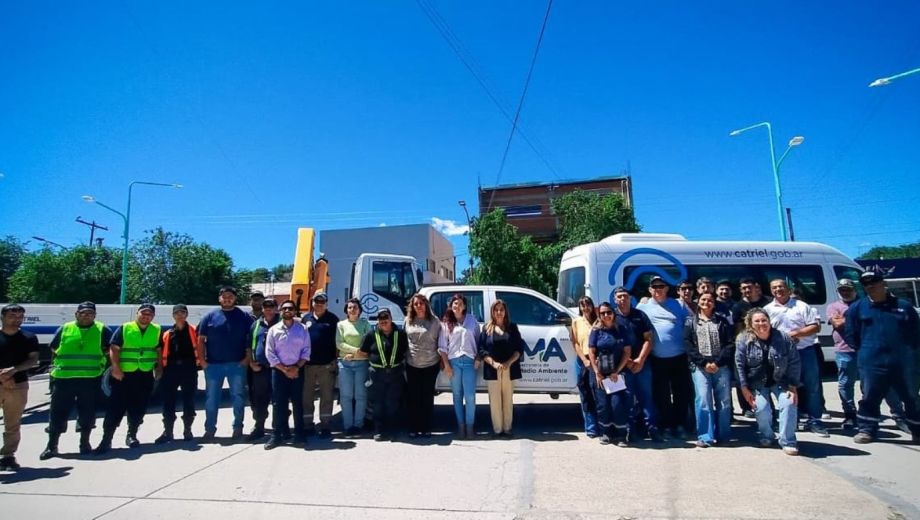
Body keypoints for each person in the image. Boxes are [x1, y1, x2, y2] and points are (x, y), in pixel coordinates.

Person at [845, 270, 920, 444]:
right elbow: (851, 335)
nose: (870, 286)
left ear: (883, 283)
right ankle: (867, 430)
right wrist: (867, 350)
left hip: (903, 362)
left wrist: (911, 355)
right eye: (866, 284)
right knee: (870, 396)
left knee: (911, 397)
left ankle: (917, 430)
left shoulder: (904, 306)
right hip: (872, 362)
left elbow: (916, 334)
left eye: (874, 282)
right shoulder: (857, 308)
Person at [41, 302, 111, 460]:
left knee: (87, 413)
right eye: (83, 313)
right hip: (64, 379)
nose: (86, 316)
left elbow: (109, 349)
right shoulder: (65, 328)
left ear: (95, 315)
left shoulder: (102, 329)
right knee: (58, 413)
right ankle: (52, 446)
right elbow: (53, 348)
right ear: (76, 314)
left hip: (90, 378)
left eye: (90, 313)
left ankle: (84, 444)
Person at [764, 279, 828, 438]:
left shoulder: (801, 306)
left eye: (781, 286)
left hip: (805, 351)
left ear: (788, 289)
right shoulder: (767, 309)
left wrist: (795, 334)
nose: (778, 289)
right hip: (782, 354)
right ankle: (793, 419)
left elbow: (815, 327)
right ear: (771, 291)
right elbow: (764, 331)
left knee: (812, 387)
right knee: (788, 388)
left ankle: (815, 421)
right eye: (774, 287)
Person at [95, 304, 162, 453]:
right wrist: (116, 368)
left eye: (149, 314)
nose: (146, 316)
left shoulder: (156, 330)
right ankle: (106, 440)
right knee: (115, 408)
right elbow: (114, 348)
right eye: (143, 313)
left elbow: (158, 349)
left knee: (139, 407)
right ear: (137, 313)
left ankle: (132, 435)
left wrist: (159, 367)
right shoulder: (125, 328)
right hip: (124, 375)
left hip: (144, 374)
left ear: (153, 316)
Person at [735, 308, 801, 456]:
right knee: (761, 408)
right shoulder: (743, 339)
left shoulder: (783, 338)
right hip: (757, 382)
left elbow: (794, 362)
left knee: (789, 403)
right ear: (750, 324)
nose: (761, 324)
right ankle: (766, 435)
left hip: (781, 381)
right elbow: (739, 365)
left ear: (769, 321)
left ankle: (788, 441)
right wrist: (744, 388)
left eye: (764, 320)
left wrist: (793, 386)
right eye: (757, 321)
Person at [637, 276, 692, 439]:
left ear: (667, 289)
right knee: (662, 395)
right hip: (657, 358)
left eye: (661, 286)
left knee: (681, 393)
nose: (658, 289)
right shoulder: (643, 306)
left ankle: (680, 425)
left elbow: (691, 323)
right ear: (649, 290)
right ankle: (666, 425)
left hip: (680, 357)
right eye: (654, 287)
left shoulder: (678, 304)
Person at [197, 286, 253, 442]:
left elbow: (251, 338)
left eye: (230, 296)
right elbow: (200, 340)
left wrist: (247, 359)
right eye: (224, 296)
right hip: (213, 366)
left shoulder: (244, 317)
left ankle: (237, 428)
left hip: (237, 365)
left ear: (235, 298)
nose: (227, 299)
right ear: (219, 299)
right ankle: (210, 430)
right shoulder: (209, 317)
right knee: (211, 399)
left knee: (238, 398)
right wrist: (202, 361)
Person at [686, 293, 734, 447]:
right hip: (700, 367)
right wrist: (704, 362)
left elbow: (729, 344)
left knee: (724, 401)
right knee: (703, 400)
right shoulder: (690, 322)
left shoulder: (722, 321)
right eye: (703, 300)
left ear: (714, 303)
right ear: (698, 302)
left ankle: (724, 435)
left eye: (710, 300)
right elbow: (688, 345)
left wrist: (717, 362)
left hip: (721, 366)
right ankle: (705, 436)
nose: (706, 302)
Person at [614, 287, 661, 442]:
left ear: (630, 298)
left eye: (625, 296)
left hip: (642, 364)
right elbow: (611, 342)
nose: (622, 299)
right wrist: (627, 361)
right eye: (619, 297)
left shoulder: (640, 315)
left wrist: (640, 360)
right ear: (615, 300)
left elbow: (649, 339)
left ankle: (652, 430)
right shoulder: (612, 317)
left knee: (647, 398)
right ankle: (630, 431)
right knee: (627, 399)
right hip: (623, 366)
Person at [264, 300, 311, 450]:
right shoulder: (273, 330)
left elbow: (306, 351)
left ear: (295, 311)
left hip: (297, 370)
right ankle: (276, 435)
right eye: (284, 308)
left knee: (297, 403)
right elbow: (269, 352)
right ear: (280, 311)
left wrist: (296, 368)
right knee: (278, 404)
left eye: (290, 308)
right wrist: (284, 369)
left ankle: (299, 434)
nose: (287, 310)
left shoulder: (303, 329)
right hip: (279, 372)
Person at [588, 302, 633, 446]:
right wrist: (597, 372)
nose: (606, 315)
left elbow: (627, 352)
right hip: (600, 375)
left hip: (616, 374)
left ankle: (621, 435)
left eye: (608, 312)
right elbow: (591, 352)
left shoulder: (621, 329)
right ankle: (605, 432)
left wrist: (617, 371)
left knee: (617, 404)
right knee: (603, 405)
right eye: (603, 313)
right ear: (599, 315)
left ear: (613, 313)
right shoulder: (596, 331)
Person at [0, 304, 39, 471]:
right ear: (2, 317)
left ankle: (8, 456)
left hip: (18, 385)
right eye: (12, 316)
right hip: (3, 381)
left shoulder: (29, 337)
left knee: (13, 424)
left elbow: (33, 360)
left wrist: (13, 371)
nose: (17, 320)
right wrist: (2, 377)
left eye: (20, 317)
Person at [360, 309, 408, 441]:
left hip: (395, 373)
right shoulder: (371, 334)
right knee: (378, 404)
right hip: (377, 374)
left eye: (386, 317)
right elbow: (363, 352)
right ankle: (379, 430)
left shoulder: (401, 334)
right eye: (380, 318)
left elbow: (405, 351)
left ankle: (393, 430)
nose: (383, 321)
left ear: (391, 318)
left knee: (393, 403)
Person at [155, 304, 200, 444]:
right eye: (177, 313)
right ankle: (168, 432)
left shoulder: (194, 331)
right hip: (170, 370)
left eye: (182, 312)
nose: (180, 315)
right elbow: (159, 352)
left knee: (189, 400)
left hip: (189, 370)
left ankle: (188, 430)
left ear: (186, 314)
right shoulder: (167, 333)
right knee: (168, 401)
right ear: (173, 315)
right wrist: (159, 368)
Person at [479, 300, 524, 438]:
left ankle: (507, 428)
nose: (499, 312)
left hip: (508, 369)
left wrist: (508, 363)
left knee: (507, 400)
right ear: (492, 312)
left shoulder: (512, 328)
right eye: (496, 310)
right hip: (492, 370)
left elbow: (519, 349)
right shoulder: (486, 329)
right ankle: (498, 430)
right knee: (495, 401)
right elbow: (481, 350)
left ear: (505, 312)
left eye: (501, 309)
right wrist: (493, 363)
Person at [438, 293, 481, 439]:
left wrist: (478, 357)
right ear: (451, 305)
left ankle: (470, 427)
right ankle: (461, 427)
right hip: (454, 362)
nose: (457, 305)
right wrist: (447, 365)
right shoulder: (446, 323)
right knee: (457, 395)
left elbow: (478, 341)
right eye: (455, 303)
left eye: (460, 303)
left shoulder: (472, 320)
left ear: (464, 306)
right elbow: (442, 347)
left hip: (469, 362)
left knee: (470, 396)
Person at [730, 277, 772, 418]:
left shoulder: (768, 302)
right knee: (743, 376)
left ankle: (768, 407)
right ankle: (747, 407)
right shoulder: (738, 307)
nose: (747, 290)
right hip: (747, 344)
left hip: (767, 343)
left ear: (756, 287)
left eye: (749, 287)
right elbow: (737, 329)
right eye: (744, 288)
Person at [404, 293, 442, 438]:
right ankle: (413, 427)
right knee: (413, 398)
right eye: (416, 304)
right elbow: (404, 341)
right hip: (412, 364)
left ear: (426, 304)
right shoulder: (408, 321)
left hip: (430, 365)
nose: (419, 306)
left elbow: (441, 342)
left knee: (427, 397)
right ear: (412, 306)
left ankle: (426, 428)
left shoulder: (435, 321)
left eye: (421, 303)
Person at [302, 292, 339, 438]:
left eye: (322, 302)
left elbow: (338, 341)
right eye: (316, 302)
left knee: (327, 397)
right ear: (312, 303)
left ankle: (325, 426)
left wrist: (335, 360)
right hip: (308, 365)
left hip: (326, 365)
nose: (319, 304)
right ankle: (307, 425)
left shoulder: (333, 319)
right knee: (307, 397)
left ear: (326, 304)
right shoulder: (305, 319)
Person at [336, 298, 372, 438]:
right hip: (345, 364)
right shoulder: (341, 325)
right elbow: (339, 343)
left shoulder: (365, 324)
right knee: (346, 396)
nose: (352, 310)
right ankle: (348, 426)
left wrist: (357, 354)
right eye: (350, 307)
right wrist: (356, 351)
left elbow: (369, 341)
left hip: (362, 364)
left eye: (355, 307)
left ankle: (358, 425)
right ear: (346, 310)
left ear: (360, 310)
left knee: (360, 396)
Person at [246, 298, 279, 441]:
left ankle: (279, 429)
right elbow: (248, 346)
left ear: (276, 308)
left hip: (278, 369)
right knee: (259, 400)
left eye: (272, 307)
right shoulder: (256, 324)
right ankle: (259, 427)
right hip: (260, 368)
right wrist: (251, 363)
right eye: (266, 307)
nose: (269, 309)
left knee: (278, 399)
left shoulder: (282, 323)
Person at [569, 296, 599, 437]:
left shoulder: (599, 321)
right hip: (583, 360)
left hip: (598, 360)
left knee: (599, 394)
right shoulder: (576, 322)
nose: (586, 308)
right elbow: (575, 343)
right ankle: (591, 427)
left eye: (588, 305)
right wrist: (584, 360)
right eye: (582, 305)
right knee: (585, 394)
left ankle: (603, 425)